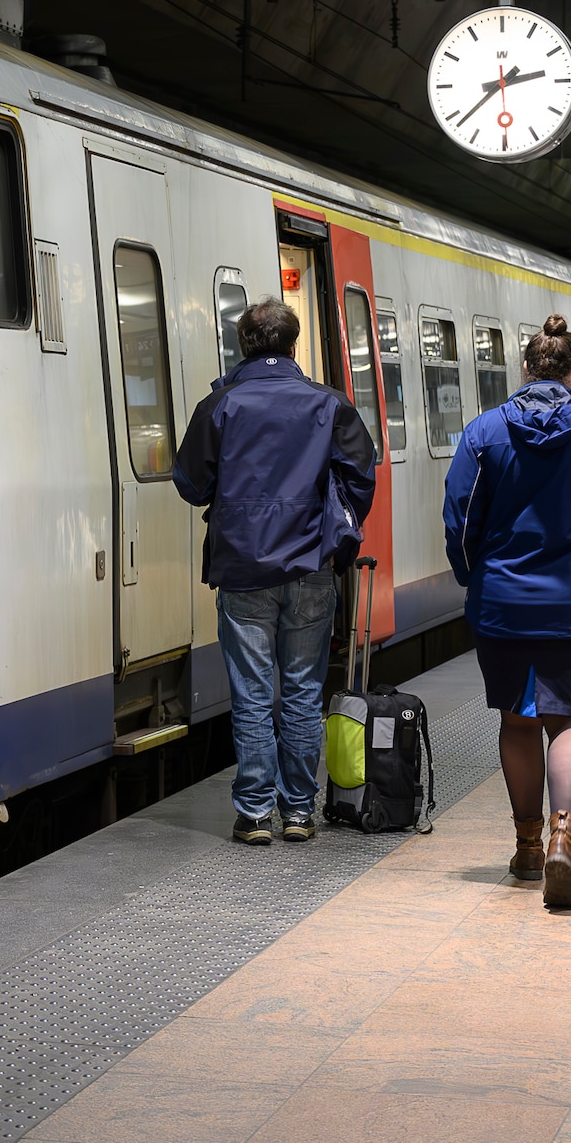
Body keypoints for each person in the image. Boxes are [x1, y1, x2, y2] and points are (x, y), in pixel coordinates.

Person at [442, 316, 571, 906]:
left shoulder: (483, 432)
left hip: (504, 603)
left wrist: (474, 580)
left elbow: (460, 519)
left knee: (517, 720)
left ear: (527, 369)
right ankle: (565, 834)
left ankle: (529, 847)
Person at [173, 301, 379, 846]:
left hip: (242, 570)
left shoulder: (219, 407)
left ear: (244, 346)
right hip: (311, 567)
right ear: (293, 346)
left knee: (252, 694)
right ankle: (298, 812)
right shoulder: (329, 405)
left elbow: (191, 483)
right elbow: (361, 477)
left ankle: (256, 813)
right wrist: (335, 530)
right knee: (304, 691)